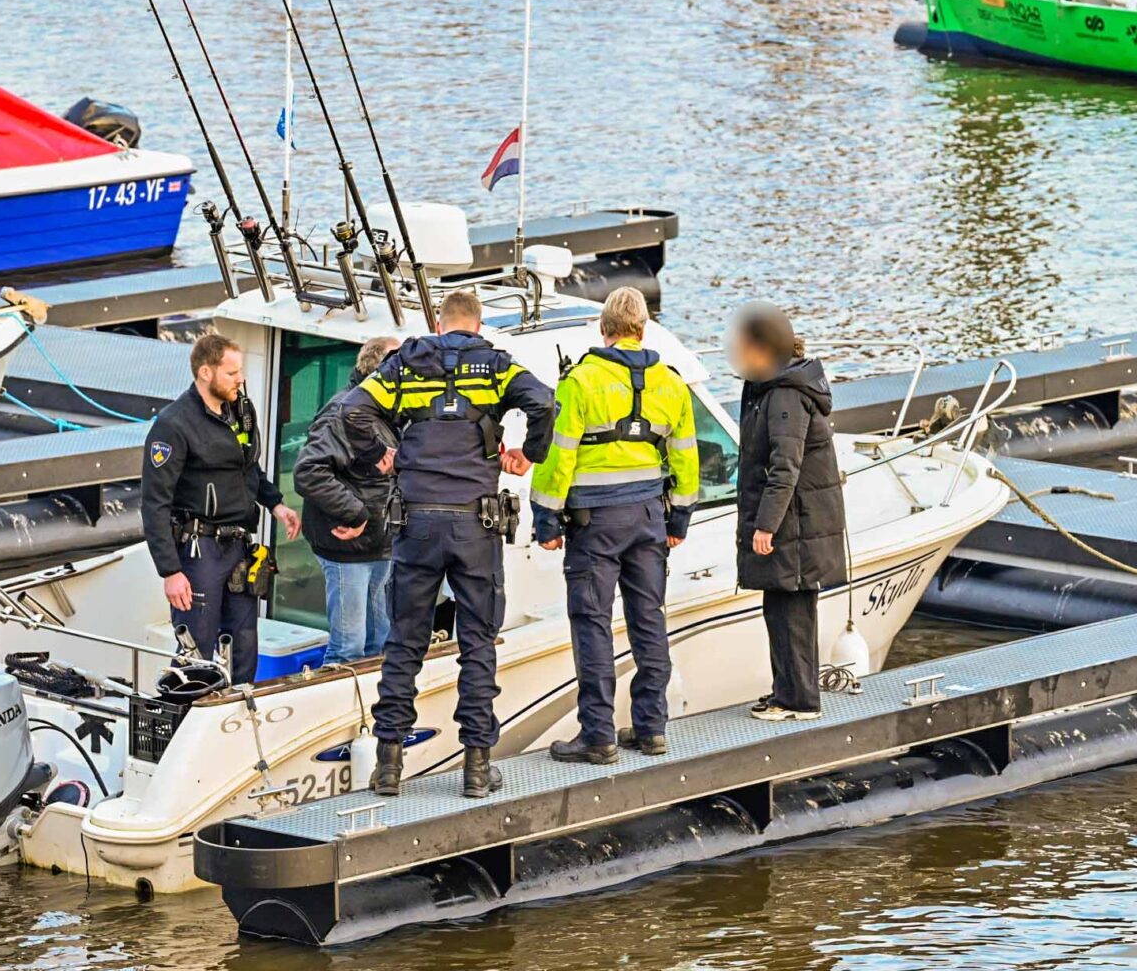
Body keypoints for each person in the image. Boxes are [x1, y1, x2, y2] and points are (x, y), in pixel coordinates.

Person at [351, 288, 557, 799]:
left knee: (405, 642)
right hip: (474, 526)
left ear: (439, 324)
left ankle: (388, 766)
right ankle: (477, 768)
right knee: (477, 643)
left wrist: (393, 449)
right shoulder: (496, 367)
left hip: (416, 524)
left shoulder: (405, 365)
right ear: (477, 325)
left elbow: (356, 409)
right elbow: (545, 403)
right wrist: (528, 454)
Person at [529, 286, 699, 764]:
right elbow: (686, 458)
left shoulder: (579, 381)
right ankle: (651, 729)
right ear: (642, 329)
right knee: (650, 621)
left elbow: (557, 456)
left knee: (593, 624)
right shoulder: (671, 382)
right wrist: (679, 517)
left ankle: (598, 737)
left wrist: (545, 518)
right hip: (648, 517)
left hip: (593, 522)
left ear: (603, 330)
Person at [140, 332, 300, 685]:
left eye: (239, 371)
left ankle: (239, 717)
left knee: (243, 645)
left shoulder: (238, 411)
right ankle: (184, 721)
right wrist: (170, 571)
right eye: (231, 373)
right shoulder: (173, 425)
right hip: (199, 552)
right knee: (196, 652)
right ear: (205, 373)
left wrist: (276, 504)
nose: (240, 379)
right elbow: (154, 503)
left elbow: (248, 467)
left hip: (238, 547)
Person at [729, 303, 845, 722]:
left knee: (791, 610)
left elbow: (786, 465)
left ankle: (798, 700)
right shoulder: (773, 387)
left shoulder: (784, 395)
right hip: (795, 521)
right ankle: (789, 691)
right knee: (782, 609)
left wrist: (766, 525)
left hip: (795, 523)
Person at [293, 336, 401, 664]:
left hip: (382, 545)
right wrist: (356, 514)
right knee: (348, 647)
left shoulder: (391, 412)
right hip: (347, 549)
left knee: (379, 644)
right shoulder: (344, 412)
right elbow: (308, 472)